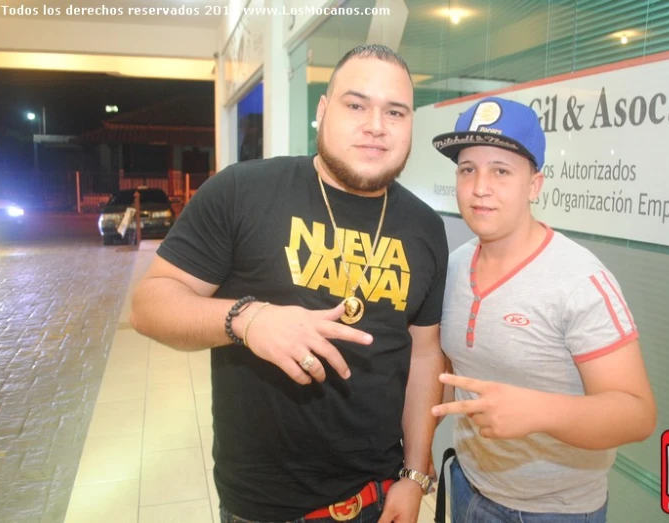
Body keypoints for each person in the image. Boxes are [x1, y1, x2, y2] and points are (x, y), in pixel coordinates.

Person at [130, 45, 448, 523]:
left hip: (378, 500)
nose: (376, 125)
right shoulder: (242, 191)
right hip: (263, 509)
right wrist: (247, 318)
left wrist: (415, 474)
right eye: (356, 105)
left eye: (394, 111)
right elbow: (149, 304)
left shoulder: (425, 227)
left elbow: (424, 354)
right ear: (322, 112)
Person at [429, 97, 657, 522]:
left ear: (534, 185)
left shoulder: (580, 281)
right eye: (467, 169)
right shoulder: (455, 266)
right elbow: (446, 374)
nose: (481, 187)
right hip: (467, 484)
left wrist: (539, 411)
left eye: (501, 170)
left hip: (554, 511)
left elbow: (637, 413)